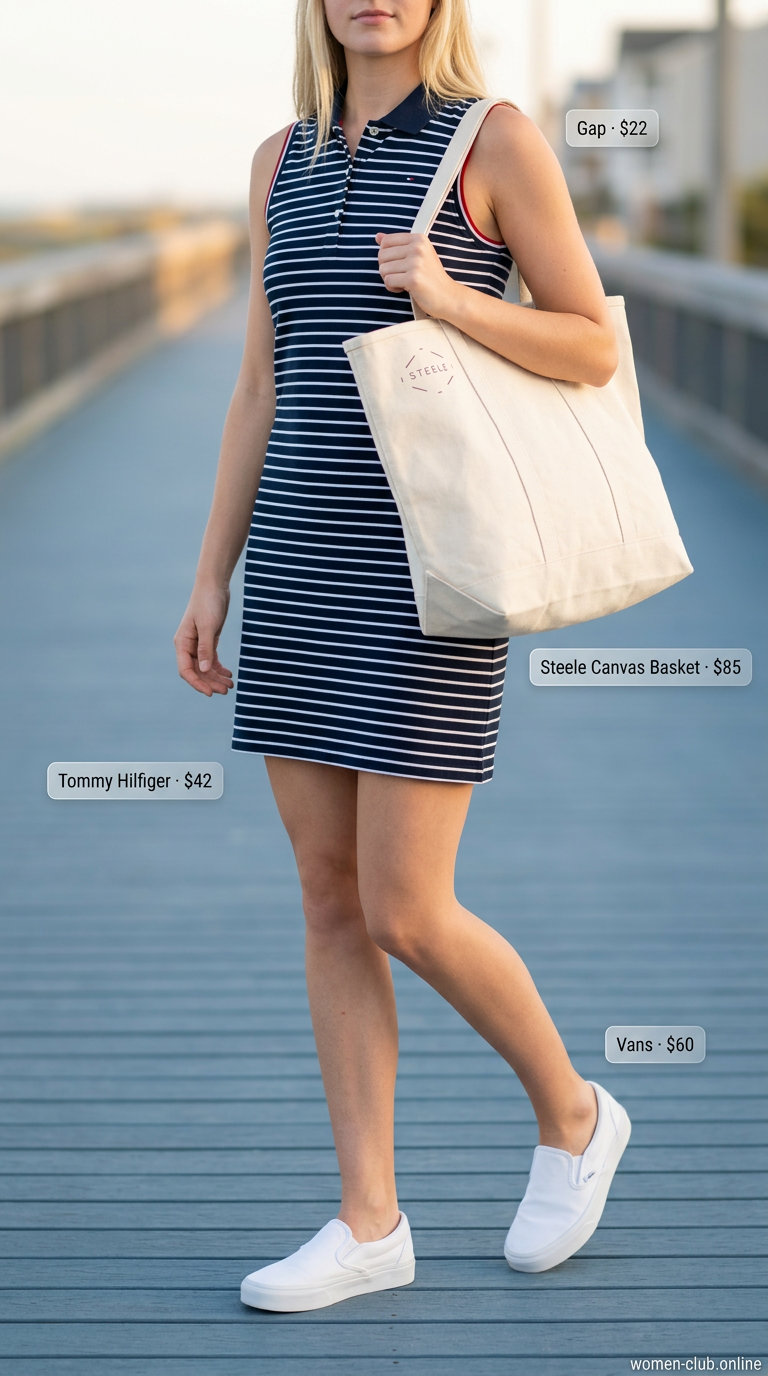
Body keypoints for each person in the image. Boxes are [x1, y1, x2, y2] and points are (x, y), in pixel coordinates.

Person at [174, 0, 630, 1313]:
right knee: (328, 898)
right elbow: (259, 383)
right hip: (302, 567)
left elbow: (592, 341)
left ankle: (576, 1112)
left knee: (407, 906)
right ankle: (370, 1222)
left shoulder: (494, 142)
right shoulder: (281, 160)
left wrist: (443, 293)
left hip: (437, 572)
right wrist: (213, 572)